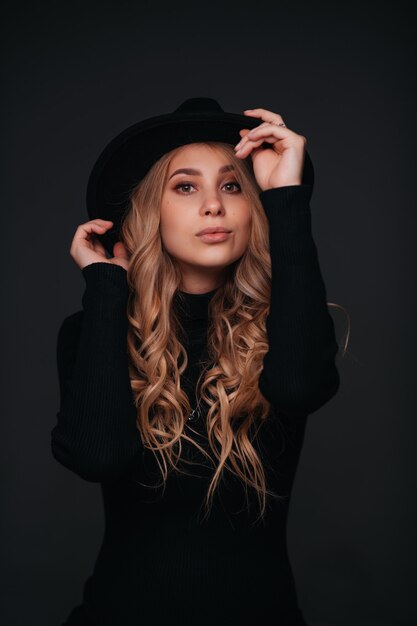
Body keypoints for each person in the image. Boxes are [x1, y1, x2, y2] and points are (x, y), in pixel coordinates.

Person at [52, 97, 344, 626]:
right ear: (149, 210)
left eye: (232, 186)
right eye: (185, 187)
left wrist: (288, 200)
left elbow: (300, 386)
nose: (214, 205)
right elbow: (97, 456)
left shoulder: (286, 325)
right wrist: (104, 289)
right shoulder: (93, 331)